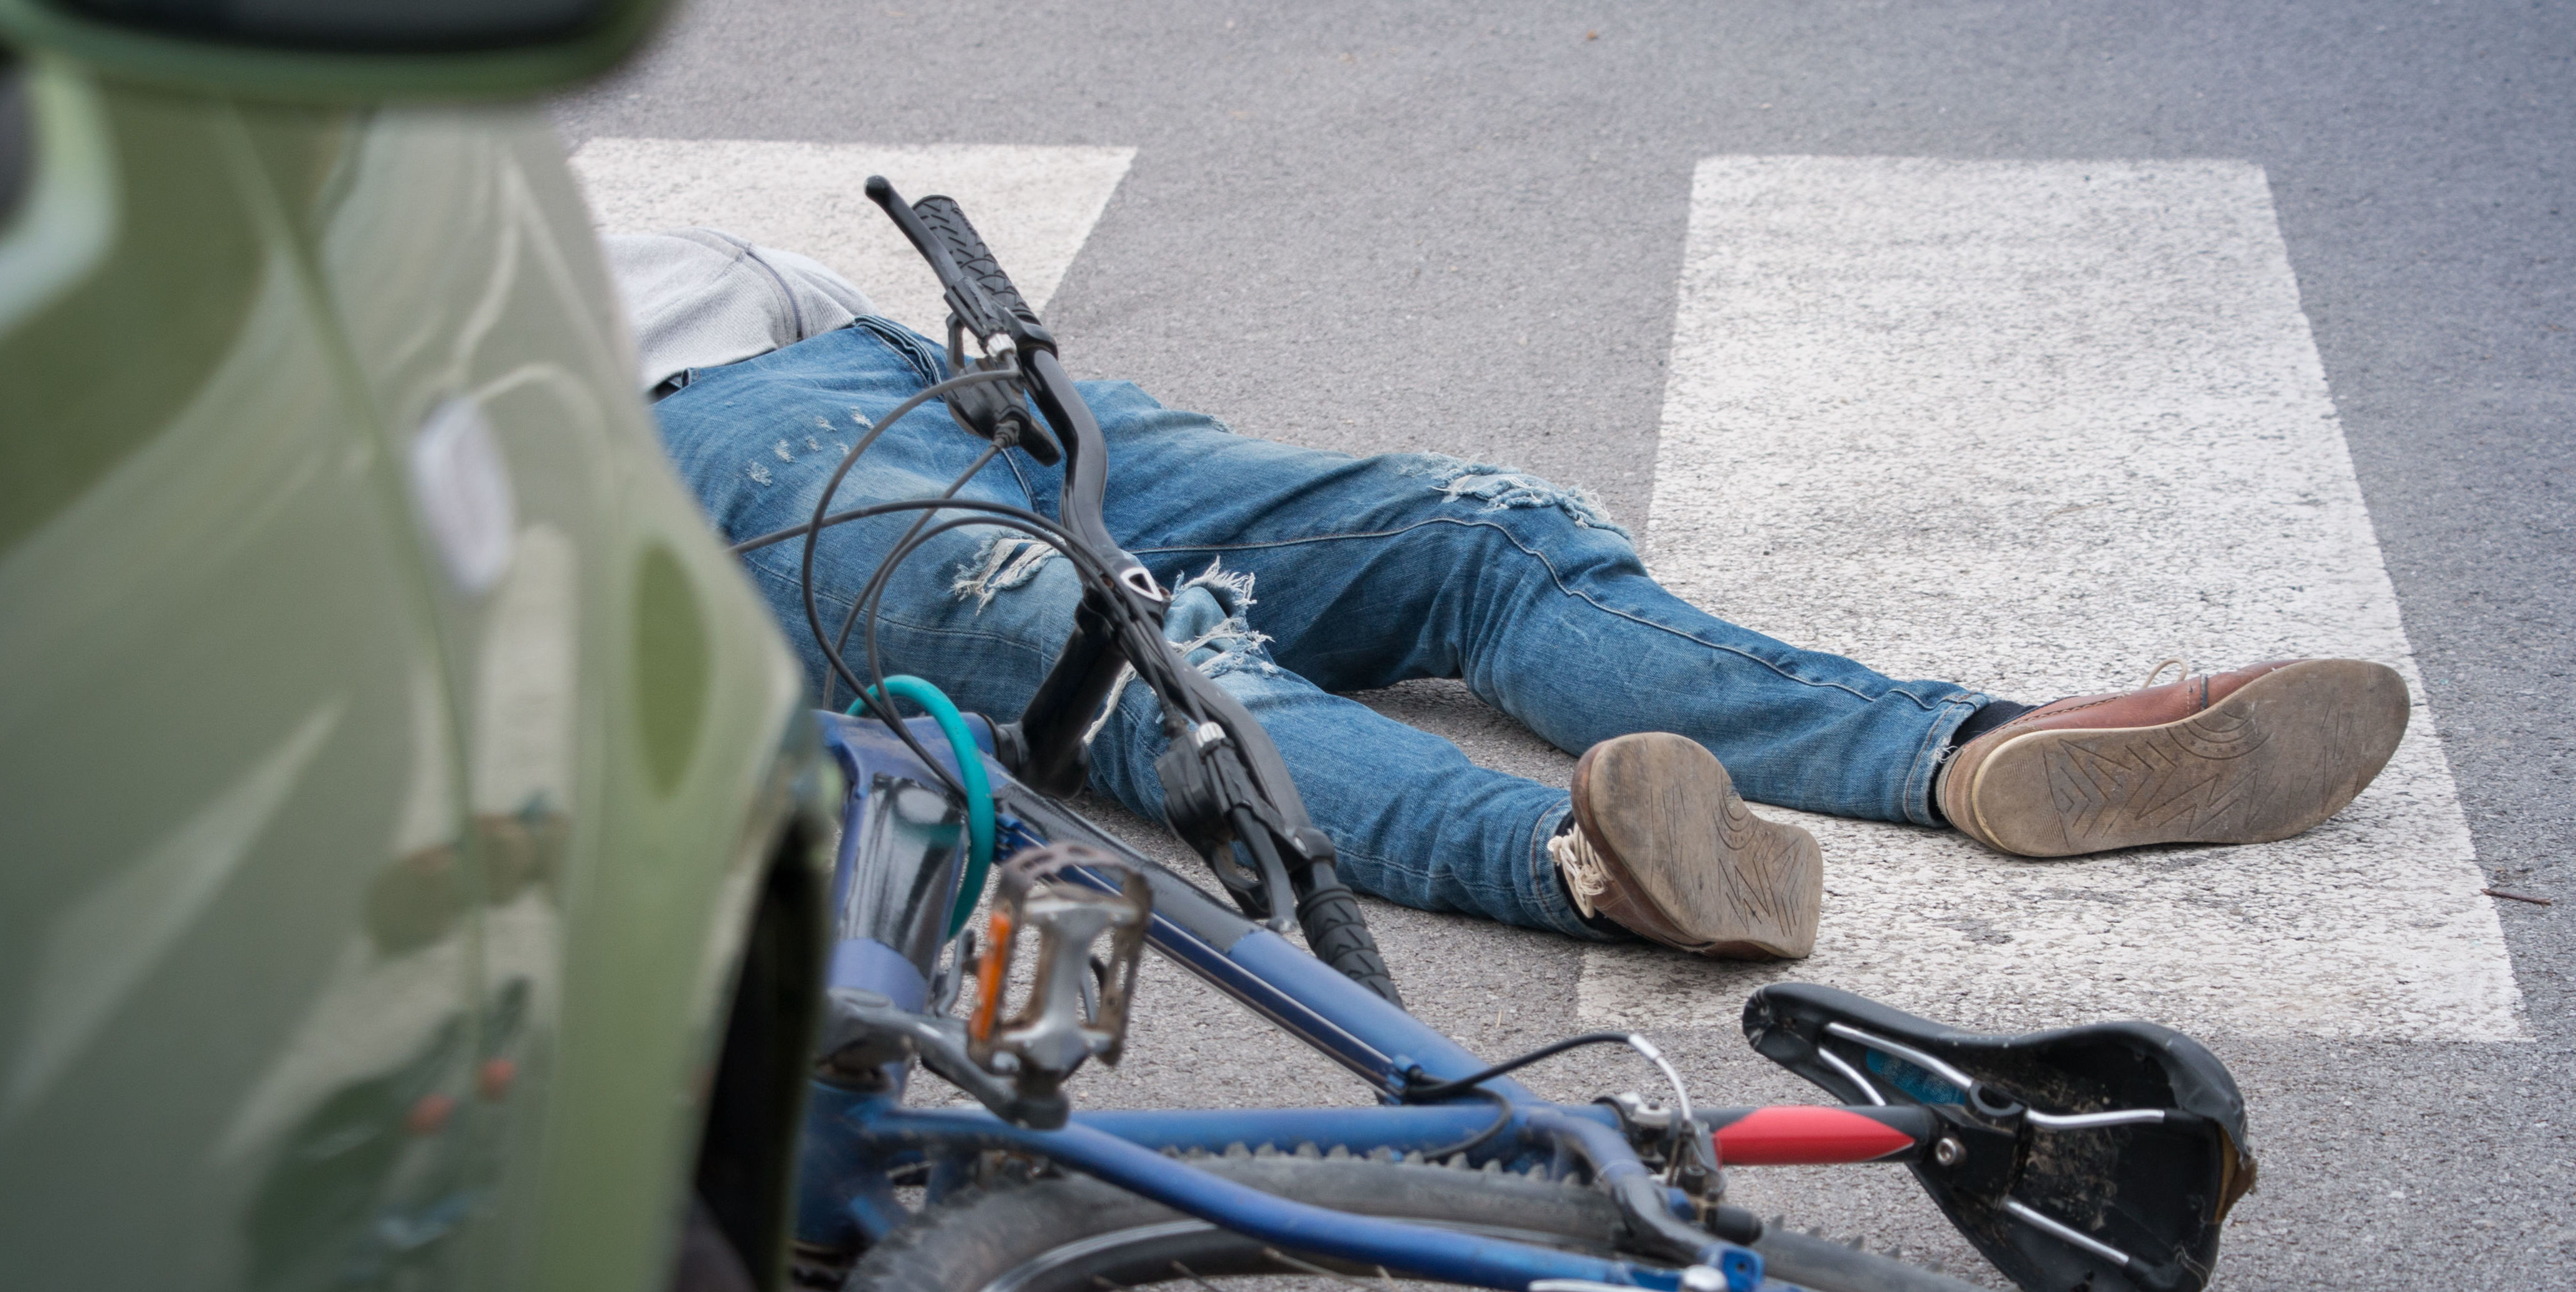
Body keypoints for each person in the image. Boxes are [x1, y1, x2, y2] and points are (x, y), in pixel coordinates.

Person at [610, 226, 2412, 963]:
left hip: (937, 380)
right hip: (711, 459)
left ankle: (1968, 752)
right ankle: (1585, 865)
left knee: (1473, 529)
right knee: (1154, 663)